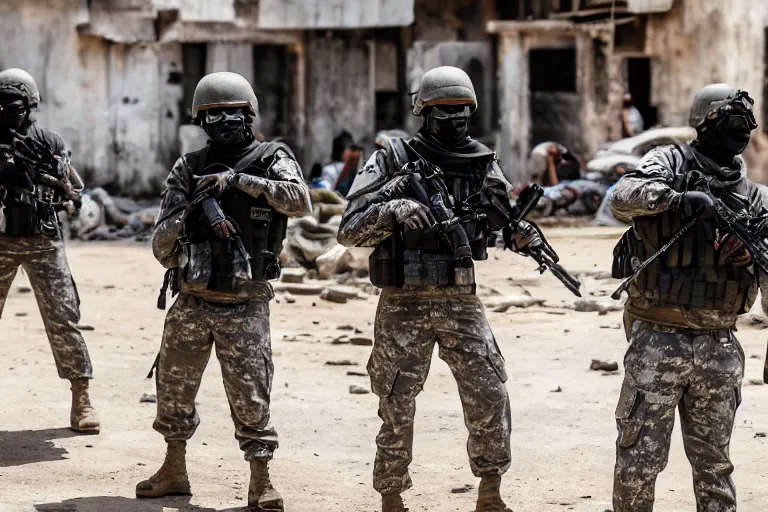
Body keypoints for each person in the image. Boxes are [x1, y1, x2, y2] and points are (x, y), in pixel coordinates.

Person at [338, 66, 552, 512]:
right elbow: (348, 230)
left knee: (489, 390)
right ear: (423, 111)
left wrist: (519, 235)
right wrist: (393, 209)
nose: (453, 118)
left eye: (461, 111)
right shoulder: (392, 158)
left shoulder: (481, 161)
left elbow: (497, 221)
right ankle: (391, 495)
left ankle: (490, 492)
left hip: (459, 297)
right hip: (403, 300)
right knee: (396, 399)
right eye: (443, 111)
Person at [136, 71, 310, 511]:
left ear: (250, 114)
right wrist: (191, 212)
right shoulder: (188, 167)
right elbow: (160, 245)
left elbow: (300, 201)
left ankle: (260, 481)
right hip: (192, 298)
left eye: (234, 112)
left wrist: (239, 182)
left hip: (245, 303)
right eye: (214, 114)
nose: (226, 120)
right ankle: (174, 470)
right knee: (173, 392)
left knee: (251, 397)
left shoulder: (273, 157)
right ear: (201, 120)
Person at [610, 84, 762, 512]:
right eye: (732, 123)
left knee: (715, 467)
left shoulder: (754, 199)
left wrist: (748, 253)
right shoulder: (668, 162)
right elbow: (621, 198)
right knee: (639, 459)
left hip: (720, 343)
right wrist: (676, 199)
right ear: (705, 123)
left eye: (746, 125)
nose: (742, 133)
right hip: (659, 337)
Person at [0, 68, 99, 434]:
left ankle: (82, 398)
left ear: (31, 104)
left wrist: (46, 180)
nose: (8, 112)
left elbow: (72, 194)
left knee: (63, 318)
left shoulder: (48, 141)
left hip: (43, 237)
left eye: (15, 104)